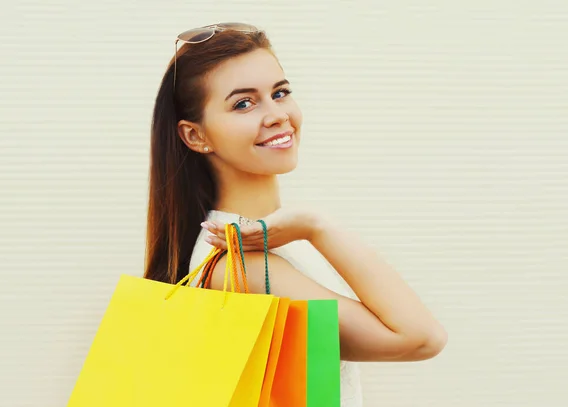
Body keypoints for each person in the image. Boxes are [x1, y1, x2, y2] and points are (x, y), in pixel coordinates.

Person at [144, 22, 447, 407]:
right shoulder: (243, 265)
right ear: (195, 136)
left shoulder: (270, 242)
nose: (276, 115)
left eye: (280, 93)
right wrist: (315, 225)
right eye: (243, 103)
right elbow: (420, 338)